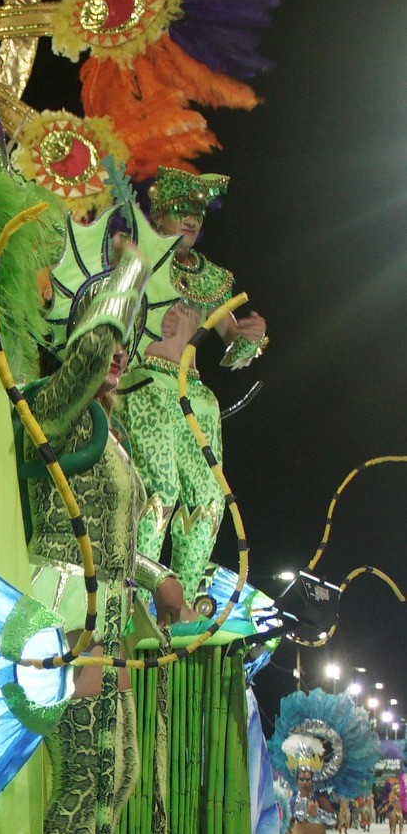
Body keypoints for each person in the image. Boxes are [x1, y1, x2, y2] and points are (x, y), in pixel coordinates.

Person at [16, 244, 184, 834]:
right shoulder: (51, 404)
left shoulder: (108, 430)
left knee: (112, 778)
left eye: (130, 342)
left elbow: (122, 538)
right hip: (59, 604)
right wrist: (130, 271)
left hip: (108, 605)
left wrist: (158, 580)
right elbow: (87, 354)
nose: (119, 356)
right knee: (82, 776)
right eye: (112, 339)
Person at [115, 169, 268, 600]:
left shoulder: (211, 277)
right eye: (181, 210)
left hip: (195, 397)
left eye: (198, 213)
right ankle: (136, 597)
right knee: (158, 490)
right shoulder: (135, 256)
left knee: (209, 500)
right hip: (144, 385)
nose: (191, 220)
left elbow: (233, 349)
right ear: (159, 213)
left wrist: (249, 341)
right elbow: (105, 310)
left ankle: (180, 603)